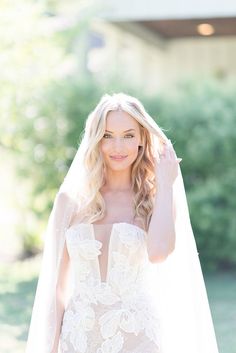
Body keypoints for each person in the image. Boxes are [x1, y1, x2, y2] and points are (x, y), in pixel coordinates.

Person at [26, 93, 219, 353]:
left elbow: (160, 252)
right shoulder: (70, 200)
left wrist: (165, 184)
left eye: (128, 135)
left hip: (137, 337)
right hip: (78, 338)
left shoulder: (154, 197)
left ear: (141, 138)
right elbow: (57, 289)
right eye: (108, 135)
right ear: (96, 140)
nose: (118, 146)